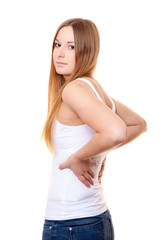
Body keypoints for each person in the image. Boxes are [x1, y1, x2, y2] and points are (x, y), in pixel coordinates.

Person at [41, 18, 147, 240]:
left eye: (71, 47)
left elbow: (117, 132)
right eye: (57, 44)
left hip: (71, 225)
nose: (60, 53)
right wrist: (98, 150)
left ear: (87, 51)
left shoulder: (74, 90)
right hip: (91, 220)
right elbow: (137, 124)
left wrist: (78, 157)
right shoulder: (93, 88)